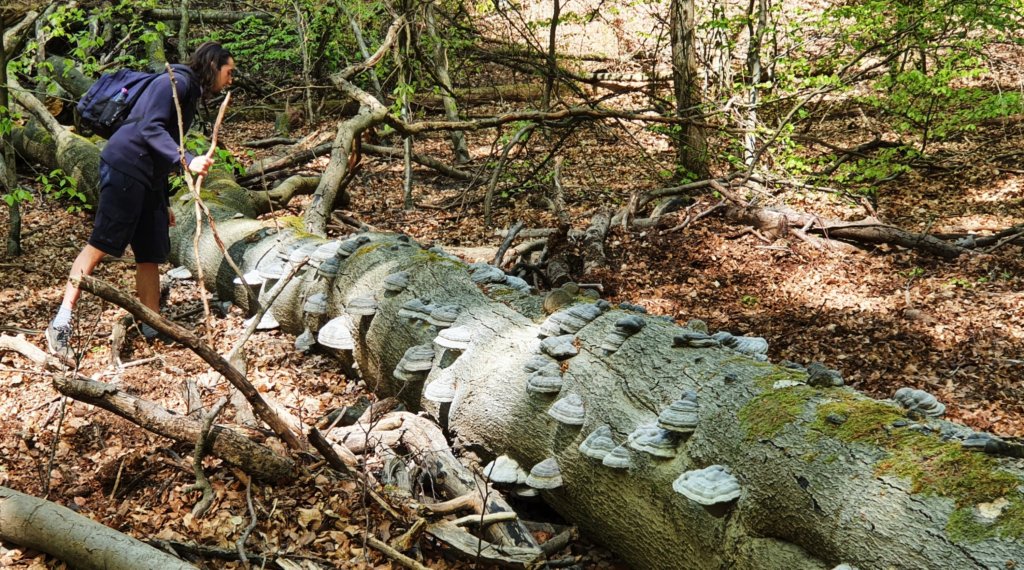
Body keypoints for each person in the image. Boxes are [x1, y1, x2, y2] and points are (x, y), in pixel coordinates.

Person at [46, 42, 235, 358]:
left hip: (148, 179)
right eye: (229, 72)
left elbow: (160, 143)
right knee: (101, 244)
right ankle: (61, 322)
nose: (231, 80)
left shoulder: (188, 90)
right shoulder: (176, 82)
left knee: (150, 252)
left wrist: (163, 200)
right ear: (214, 65)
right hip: (125, 168)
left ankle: (152, 324)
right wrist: (187, 159)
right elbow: (149, 128)